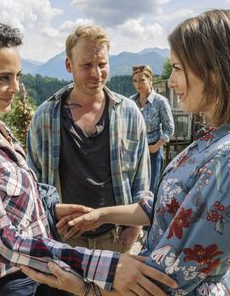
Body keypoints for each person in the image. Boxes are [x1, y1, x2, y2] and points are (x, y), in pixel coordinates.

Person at [22, 9, 230, 296]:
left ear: (214, 70)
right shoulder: (215, 139)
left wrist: (84, 288)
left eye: (178, 69)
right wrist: (100, 215)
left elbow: (169, 280)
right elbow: (163, 205)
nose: (169, 82)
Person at [0, 23, 177, 296]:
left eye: (17, 76)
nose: (15, 87)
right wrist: (106, 266)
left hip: (37, 271)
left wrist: (51, 207)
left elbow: (23, 194)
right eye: (3, 78)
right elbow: (2, 240)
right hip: (2, 284)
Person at [27, 25, 150, 253]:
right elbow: (33, 182)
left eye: (102, 64)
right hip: (63, 239)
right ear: (68, 65)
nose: (96, 73)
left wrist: (134, 229)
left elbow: (141, 180)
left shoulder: (130, 113)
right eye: (86, 65)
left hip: (114, 238)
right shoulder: (45, 116)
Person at [131, 64, 174, 193]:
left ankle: (151, 214)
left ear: (150, 80)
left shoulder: (160, 102)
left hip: (153, 153)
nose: (138, 84)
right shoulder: (131, 102)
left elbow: (169, 128)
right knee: (135, 189)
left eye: (142, 80)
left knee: (150, 191)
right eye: (135, 81)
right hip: (135, 153)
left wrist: (157, 146)